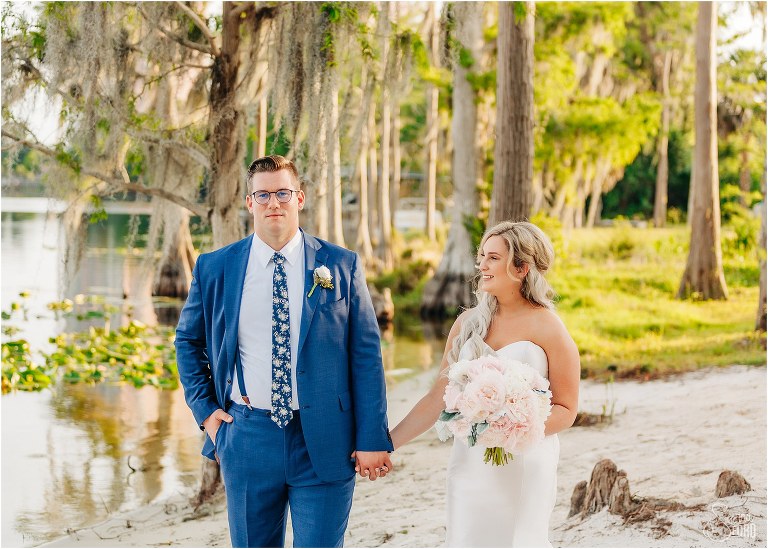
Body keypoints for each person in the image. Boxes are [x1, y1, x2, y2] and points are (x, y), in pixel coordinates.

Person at [175, 155, 394, 548]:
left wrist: (372, 436)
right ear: (249, 203)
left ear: (300, 198)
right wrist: (206, 412)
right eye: (263, 195)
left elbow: (366, 356)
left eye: (282, 193)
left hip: (326, 440)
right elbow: (187, 342)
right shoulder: (215, 268)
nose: (273, 203)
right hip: (246, 436)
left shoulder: (340, 266)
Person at [389, 221, 580, 547]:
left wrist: (512, 425)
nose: (481, 265)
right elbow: (439, 397)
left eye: (492, 257)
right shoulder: (467, 323)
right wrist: (385, 444)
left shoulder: (548, 326)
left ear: (521, 267)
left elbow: (567, 408)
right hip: (469, 460)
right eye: (481, 256)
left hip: (523, 461)